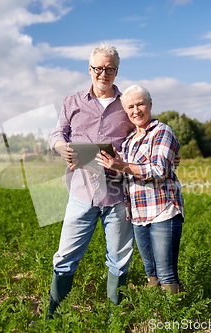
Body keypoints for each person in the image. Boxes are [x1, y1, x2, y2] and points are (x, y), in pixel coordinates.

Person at [47, 43, 136, 317]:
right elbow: (56, 135)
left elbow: (144, 136)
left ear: (116, 71)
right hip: (81, 192)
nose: (103, 73)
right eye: (98, 68)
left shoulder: (127, 104)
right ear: (90, 69)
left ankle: (113, 318)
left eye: (109, 69)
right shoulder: (72, 102)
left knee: (119, 261)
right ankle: (53, 315)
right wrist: (63, 148)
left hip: (117, 194)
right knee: (64, 258)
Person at [96, 84, 184, 294]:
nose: (136, 111)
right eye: (130, 107)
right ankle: (155, 315)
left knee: (166, 274)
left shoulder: (162, 131)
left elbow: (159, 170)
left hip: (163, 210)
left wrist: (121, 165)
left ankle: (174, 317)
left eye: (140, 104)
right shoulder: (127, 142)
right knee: (151, 272)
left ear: (150, 105)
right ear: (126, 112)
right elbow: (121, 174)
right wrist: (98, 165)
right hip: (138, 214)